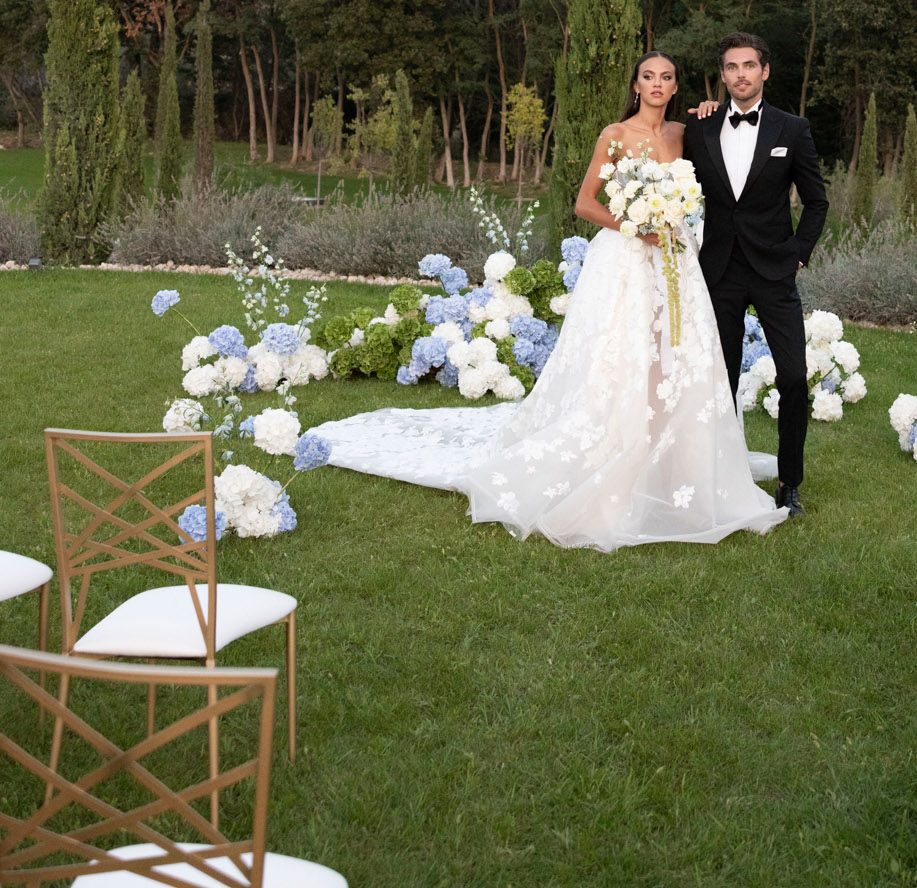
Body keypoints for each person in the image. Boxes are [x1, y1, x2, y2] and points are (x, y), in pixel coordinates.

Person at [316, 51, 787, 551]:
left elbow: (714, 160)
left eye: (666, 78)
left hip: (675, 259)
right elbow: (585, 203)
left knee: (675, 358)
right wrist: (636, 225)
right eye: (648, 76)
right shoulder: (615, 134)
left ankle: (672, 458)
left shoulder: (683, 134)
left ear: (675, 89)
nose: (657, 84)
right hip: (628, 258)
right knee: (623, 357)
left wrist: (709, 112)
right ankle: (620, 456)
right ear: (635, 84)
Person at [685, 33, 828, 516]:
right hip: (719, 271)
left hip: (773, 272)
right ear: (722, 75)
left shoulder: (793, 129)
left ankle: (790, 483)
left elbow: (816, 201)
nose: (740, 74)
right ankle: (717, 477)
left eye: (749, 65)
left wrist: (798, 254)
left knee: (792, 376)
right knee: (718, 380)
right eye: (731, 67)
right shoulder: (698, 129)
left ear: (765, 71)